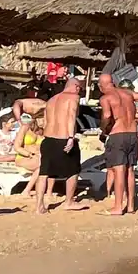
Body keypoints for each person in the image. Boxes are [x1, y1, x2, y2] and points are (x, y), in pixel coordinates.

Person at [38, 76, 83, 213]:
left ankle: (39, 206)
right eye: (79, 88)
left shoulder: (51, 100)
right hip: (64, 138)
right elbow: (71, 116)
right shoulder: (73, 98)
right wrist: (71, 137)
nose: (79, 91)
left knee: (43, 173)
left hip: (48, 139)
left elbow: (45, 122)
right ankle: (69, 202)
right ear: (76, 86)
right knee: (73, 171)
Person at [99, 72, 138, 215]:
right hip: (133, 134)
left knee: (119, 171)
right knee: (130, 170)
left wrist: (104, 128)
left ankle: (117, 207)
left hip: (118, 134)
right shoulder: (127, 94)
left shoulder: (106, 97)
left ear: (101, 85)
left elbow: (107, 115)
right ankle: (130, 206)